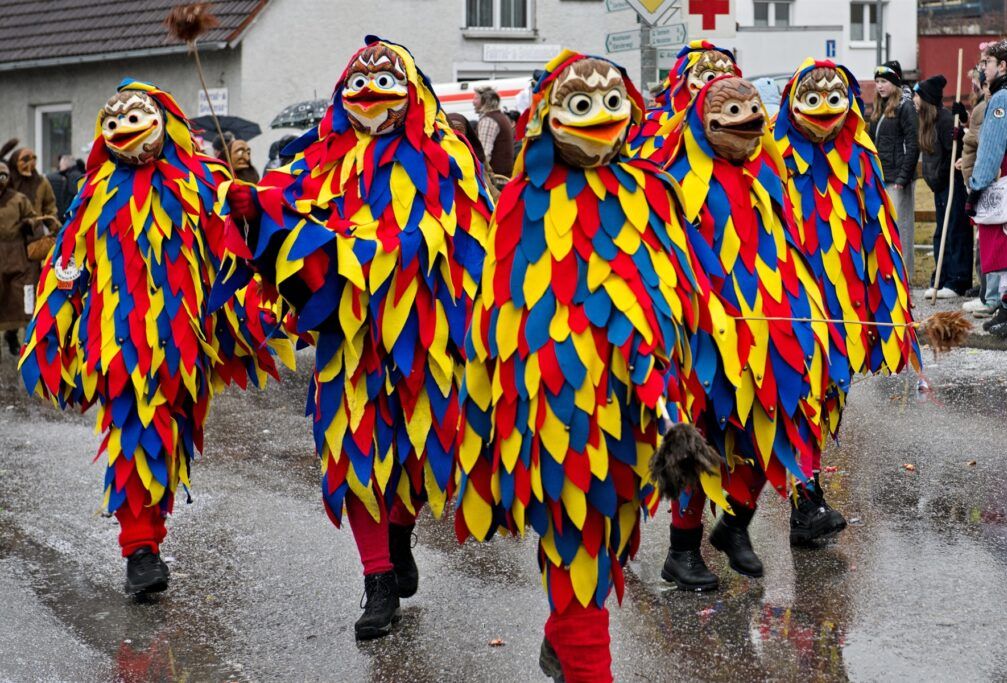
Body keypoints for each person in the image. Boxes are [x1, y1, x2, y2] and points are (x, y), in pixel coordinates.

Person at [454, 50, 741, 682]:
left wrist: (663, 383)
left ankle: (564, 638)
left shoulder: (649, 194)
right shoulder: (523, 203)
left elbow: (664, 299)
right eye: (581, 105)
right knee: (572, 528)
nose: (599, 117)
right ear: (549, 118)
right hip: (554, 406)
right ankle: (586, 661)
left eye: (611, 103)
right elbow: (504, 310)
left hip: (635, 405)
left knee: (610, 528)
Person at [227, 36, 491, 641]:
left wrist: (373, 253)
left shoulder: (446, 157)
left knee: (421, 451)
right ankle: (377, 580)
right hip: (348, 337)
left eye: (385, 83)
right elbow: (283, 211)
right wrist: (252, 208)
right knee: (357, 453)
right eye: (359, 82)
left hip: (426, 332)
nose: (370, 93)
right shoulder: (318, 157)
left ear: (411, 94)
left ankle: (400, 532)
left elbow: (463, 237)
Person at [19, 79, 288, 596]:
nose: (124, 128)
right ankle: (139, 549)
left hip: (185, 338)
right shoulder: (95, 194)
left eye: (135, 118)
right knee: (132, 432)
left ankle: (150, 532)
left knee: (172, 435)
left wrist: (247, 210)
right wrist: (52, 327)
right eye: (114, 121)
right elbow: (69, 264)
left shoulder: (200, 182)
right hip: (118, 340)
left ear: (163, 123)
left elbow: (235, 245)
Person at [649, 76, 833, 588]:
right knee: (700, 441)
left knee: (776, 429)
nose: (748, 119)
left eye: (753, 108)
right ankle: (682, 550)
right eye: (732, 110)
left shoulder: (765, 175)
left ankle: (733, 524)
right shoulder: (677, 181)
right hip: (705, 338)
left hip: (768, 334)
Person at [775, 59, 920, 546]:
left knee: (828, 396)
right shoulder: (772, 157)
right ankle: (798, 502)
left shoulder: (860, 157)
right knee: (798, 396)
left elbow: (878, 235)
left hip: (841, 304)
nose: (823, 109)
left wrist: (886, 302)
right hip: (789, 302)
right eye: (812, 99)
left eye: (832, 98)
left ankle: (804, 504)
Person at [967, 39, 1007, 337]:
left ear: (1002, 65)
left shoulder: (1003, 98)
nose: (982, 68)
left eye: (986, 62)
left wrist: (977, 187)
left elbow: (991, 147)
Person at [915, 74, 974, 297]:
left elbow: (955, 152)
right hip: (939, 186)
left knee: (955, 230)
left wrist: (941, 176)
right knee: (942, 231)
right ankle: (941, 276)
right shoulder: (926, 122)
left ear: (927, 99)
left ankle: (958, 280)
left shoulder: (946, 120)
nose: (914, 100)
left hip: (952, 184)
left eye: (918, 96)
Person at [959, 65, 1002, 317]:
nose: (986, 89)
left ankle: (997, 295)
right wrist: (970, 177)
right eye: (983, 85)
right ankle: (986, 292)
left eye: (988, 84)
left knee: (999, 240)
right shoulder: (979, 110)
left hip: (999, 181)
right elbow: (971, 146)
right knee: (983, 240)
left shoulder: (1003, 107)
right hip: (979, 181)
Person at [870, 60, 919, 281]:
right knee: (884, 227)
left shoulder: (905, 107)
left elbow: (913, 144)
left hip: (898, 179)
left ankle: (904, 276)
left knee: (902, 227)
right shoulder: (879, 107)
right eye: (877, 81)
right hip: (882, 175)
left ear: (894, 83)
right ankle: (887, 274)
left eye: (884, 81)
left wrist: (903, 177)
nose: (880, 86)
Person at [0, 161, 41, 357]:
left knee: (18, 300)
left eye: (3, 176)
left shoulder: (18, 199)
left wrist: (29, 223)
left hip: (16, 254)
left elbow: (33, 217)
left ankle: (14, 336)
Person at [472, 85, 515, 177]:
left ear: (485, 101)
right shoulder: (500, 117)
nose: (473, 102)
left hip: (495, 180)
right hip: (503, 177)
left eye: (476, 98)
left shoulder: (488, 120)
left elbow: (484, 155)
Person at [46, 154, 85, 220]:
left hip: (73, 215)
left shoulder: (72, 176)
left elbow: (71, 196)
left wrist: (65, 213)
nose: (60, 168)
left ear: (65, 165)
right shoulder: (76, 174)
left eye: (61, 165)